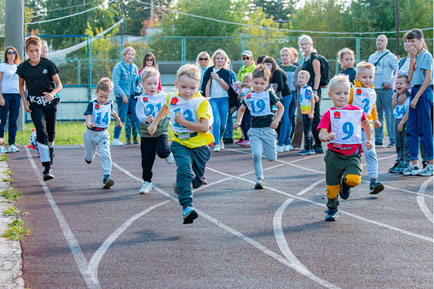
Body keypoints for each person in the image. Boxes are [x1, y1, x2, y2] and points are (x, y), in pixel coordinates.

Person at [148, 64, 213, 224]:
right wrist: (155, 123)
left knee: (195, 182)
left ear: (198, 86)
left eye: (192, 87)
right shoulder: (172, 97)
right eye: (183, 87)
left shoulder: (201, 103)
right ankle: (187, 207)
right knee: (185, 171)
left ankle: (180, 184)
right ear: (177, 84)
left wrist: (183, 122)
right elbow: (165, 107)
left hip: (199, 146)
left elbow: (205, 127)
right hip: (179, 143)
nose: (187, 91)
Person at [318, 75, 373, 221]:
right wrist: (326, 137)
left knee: (354, 179)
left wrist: (368, 139)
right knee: (331, 188)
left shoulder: (356, 111)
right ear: (330, 95)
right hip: (334, 155)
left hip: (352, 154)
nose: (342, 97)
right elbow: (322, 134)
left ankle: (346, 185)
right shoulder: (329, 114)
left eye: (345, 93)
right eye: (338, 93)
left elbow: (366, 123)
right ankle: (332, 207)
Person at [17, 36, 63, 181]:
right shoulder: (23, 67)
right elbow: (21, 85)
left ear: (41, 50)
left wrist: (52, 93)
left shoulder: (48, 64)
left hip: (50, 103)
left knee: (50, 133)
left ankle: (50, 151)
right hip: (35, 104)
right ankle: (47, 168)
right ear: (27, 52)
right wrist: (24, 101)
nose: (35, 54)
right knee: (41, 132)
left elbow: (59, 85)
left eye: (37, 50)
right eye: (31, 51)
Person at [234, 65, 284, 189]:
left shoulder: (269, 95)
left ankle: (270, 144)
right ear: (252, 82)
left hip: (268, 130)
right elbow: (241, 110)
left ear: (266, 83)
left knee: (271, 158)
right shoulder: (249, 96)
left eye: (261, 83)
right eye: (255, 83)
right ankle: (259, 179)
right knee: (256, 155)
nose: (258, 86)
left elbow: (281, 107)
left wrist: (276, 120)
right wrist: (239, 121)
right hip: (254, 131)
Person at [135, 67, 173, 194]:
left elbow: (171, 107)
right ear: (143, 85)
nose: (152, 87)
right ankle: (147, 182)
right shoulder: (141, 99)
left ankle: (168, 152)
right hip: (147, 134)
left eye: (155, 83)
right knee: (146, 160)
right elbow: (139, 113)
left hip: (161, 130)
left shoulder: (164, 96)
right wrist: (145, 119)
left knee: (162, 152)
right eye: (149, 84)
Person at [348, 62, 384, 194]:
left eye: (370, 77)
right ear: (357, 77)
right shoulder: (353, 91)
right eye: (364, 77)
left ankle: (373, 181)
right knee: (352, 155)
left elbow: (373, 107)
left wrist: (375, 119)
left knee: (370, 152)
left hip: (367, 127)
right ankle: (345, 180)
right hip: (353, 128)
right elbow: (346, 104)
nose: (367, 80)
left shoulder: (372, 91)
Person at [403, 29, 433, 176]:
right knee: (412, 129)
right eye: (408, 41)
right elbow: (409, 78)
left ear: (421, 40)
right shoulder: (415, 57)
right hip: (414, 90)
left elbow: (427, 79)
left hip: (423, 92)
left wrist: (416, 97)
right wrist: (411, 58)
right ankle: (414, 163)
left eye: (413, 40)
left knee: (425, 129)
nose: (410, 44)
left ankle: (431, 163)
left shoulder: (427, 56)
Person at [83, 78, 122, 189]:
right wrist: (88, 123)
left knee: (105, 153)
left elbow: (113, 113)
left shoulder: (109, 104)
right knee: (89, 158)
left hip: (103, 134)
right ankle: (88, 157)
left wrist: (119, 121)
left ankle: (106, 177)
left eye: (106, 97)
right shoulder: (92, 104)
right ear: (96, 93)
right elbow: (88, 116)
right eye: (101, 96)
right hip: (90, 133)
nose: (103, 99)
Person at [368, 35, 398, 147]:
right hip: (374, 89)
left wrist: (390, 82)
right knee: (377, 114)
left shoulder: (390, 56)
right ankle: (379, 138)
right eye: (378, 40)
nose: (379, 42)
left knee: (390, 114)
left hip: (387, 89)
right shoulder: (372, 57)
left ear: (386, 43)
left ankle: (393, 138)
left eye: (382, 40)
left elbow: (397, 71)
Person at [201, 49, 233, 152]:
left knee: (223, 124)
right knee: (216, 121)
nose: (220, 60)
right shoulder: (209, 70)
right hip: (213, 99)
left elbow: (228, 88)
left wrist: (218, 78)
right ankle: (217, 144)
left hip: (224, 99)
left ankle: (220, 138)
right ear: (214, 59)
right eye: (218, 58)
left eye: (222, 58)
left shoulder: (226, 72)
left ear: (225, 60)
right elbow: (206, 85)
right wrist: (207, 98)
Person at [111, 47, 140, 146]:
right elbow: (115, 83)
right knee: (122, 117)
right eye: (128, 54)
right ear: (123, 55)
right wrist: (123, 95)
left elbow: (137, 82)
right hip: (122, 97)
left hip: (133, 96)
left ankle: (144, 138)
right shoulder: (118, 67)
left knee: (137, 116)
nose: (130, 56)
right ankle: (115, 139)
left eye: (132, 54)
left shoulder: (135, 67)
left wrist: (139, 90)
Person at [299, 34, 323, 154]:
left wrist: (315, 90)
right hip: (307, 90)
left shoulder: (314, 57)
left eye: (305, 44)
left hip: (313, 90)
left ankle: (318, 145)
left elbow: (317, 75)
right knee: (309, 118)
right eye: (302, 44)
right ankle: (312, 144)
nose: (303, 46)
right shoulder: (305, 58)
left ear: (311, 44)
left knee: (314, 117)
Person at [0, 46, 21, 153]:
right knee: (2, 121)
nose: (11, 55)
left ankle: (12, 144)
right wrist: (0, 97)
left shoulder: (18, 66)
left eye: (13, 53)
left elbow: (22, 83)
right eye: (9, 53)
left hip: (16, 96)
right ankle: (1, 145)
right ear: (6, 55)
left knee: (13, 121)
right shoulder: (2, 66)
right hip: (5, 96)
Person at [389, 75, 411, 173]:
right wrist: (393, 103)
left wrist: (402, 123)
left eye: (401, 83)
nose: (398, 85)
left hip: (405, 121)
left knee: (406, 142)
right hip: (397, 120)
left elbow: (408, 112)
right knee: (399, 142)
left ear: (407, 86)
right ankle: (400, 161)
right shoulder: (396, 96)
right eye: (397, 83)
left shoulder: (408, 98)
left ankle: (407, 162)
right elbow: (394, 110)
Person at [279, 47, 297, 151]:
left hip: (292, 94)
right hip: (281, 95)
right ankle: (284, 140)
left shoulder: (295, 69)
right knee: (283, 118)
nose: (284, 57)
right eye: (282, 55)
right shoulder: (278, 68)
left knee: (289, 117)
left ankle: (287, 141)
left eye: (287, 55)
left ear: (290, 57)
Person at [297, 70, 315, 155]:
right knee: (307, 130)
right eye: (299, 77)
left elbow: (312, 101)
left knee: (307, 131)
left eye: (303, 78)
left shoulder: (307, 89)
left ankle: (308, 148)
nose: (300, 79)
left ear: (307, 79)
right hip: (304, 112)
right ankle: (310, 148)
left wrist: (311, 112)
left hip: (308, 113)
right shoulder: (302, 88)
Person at [235, 73, 252, 146]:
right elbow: (239, 96)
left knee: (248, 123)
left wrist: (243, 97)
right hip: (242, 107)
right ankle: (244, 137)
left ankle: (248, 138)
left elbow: (245, 97)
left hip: (248, 109)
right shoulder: (243, 89)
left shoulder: (251, 89)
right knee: (242, 124)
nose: (245, 83)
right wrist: (240, 89)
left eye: (247, 81)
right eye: (244, 81)